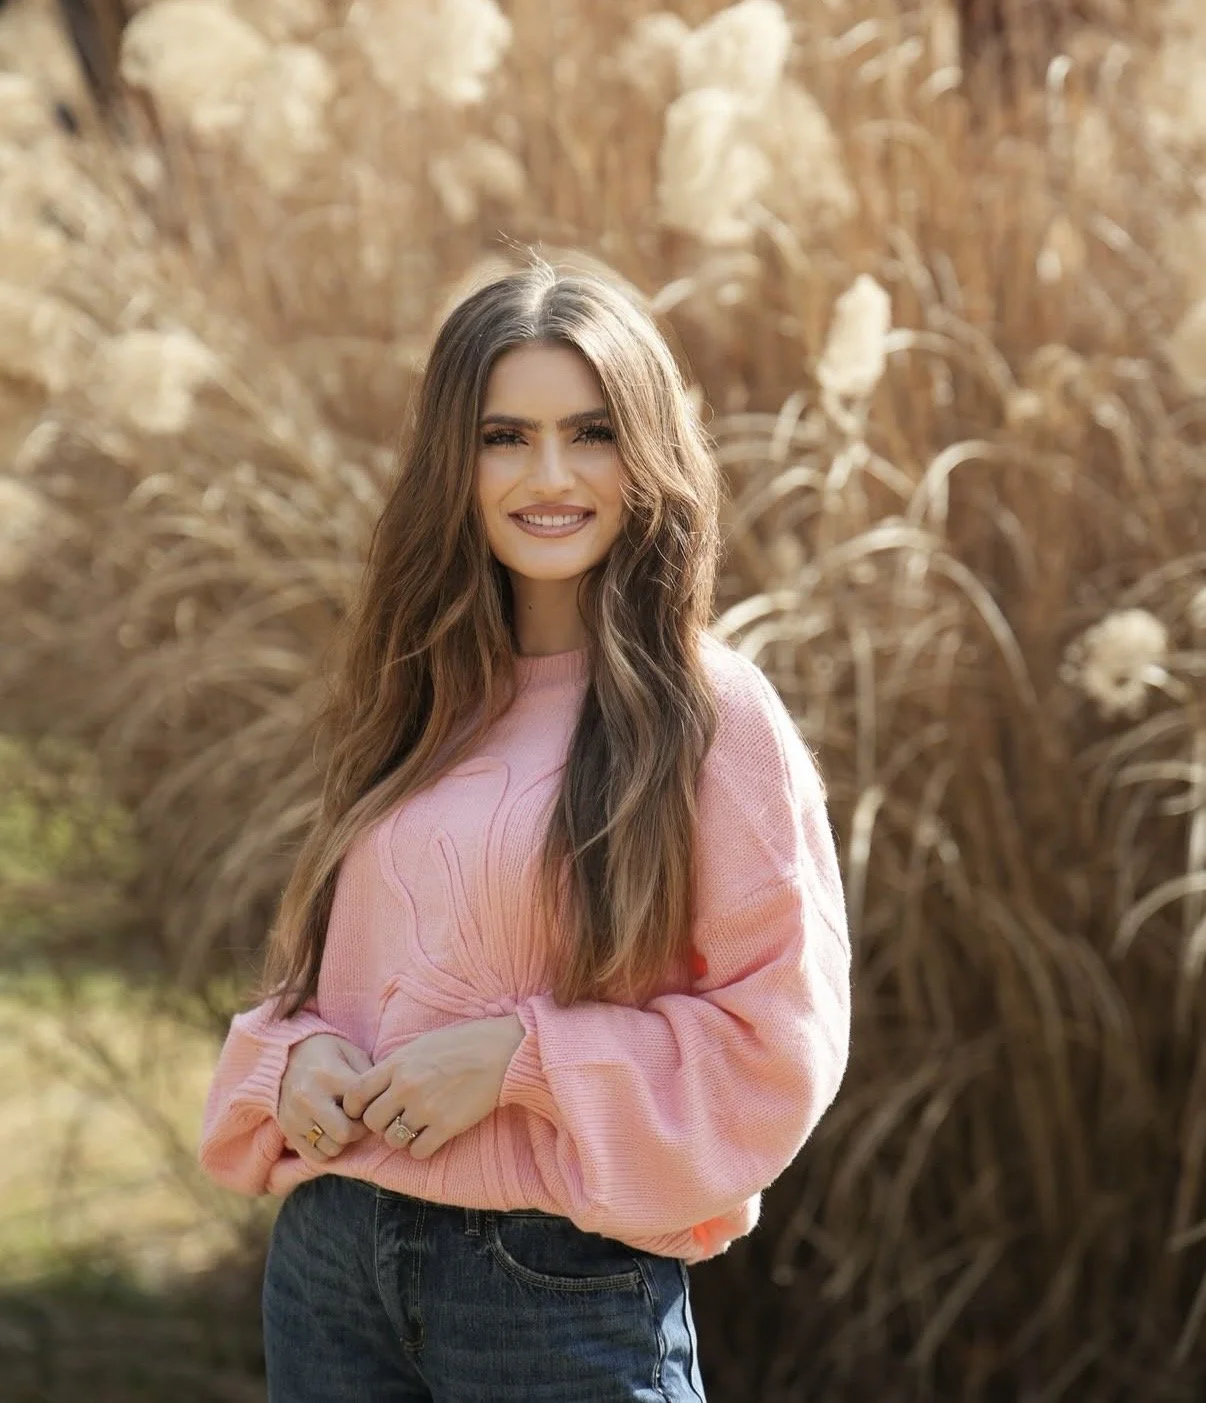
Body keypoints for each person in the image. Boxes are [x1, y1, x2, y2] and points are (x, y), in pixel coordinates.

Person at [197, 257, 852, 1402]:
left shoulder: (710, 713)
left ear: (643, 449)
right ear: (457, 461)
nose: (549, 475)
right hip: (331, 1266)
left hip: (552, 1285)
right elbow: (340, 981)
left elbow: (778, 1041)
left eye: (589, 431)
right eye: (506, 436)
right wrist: (289, 1059)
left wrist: (523, 1060)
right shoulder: (420, 688)